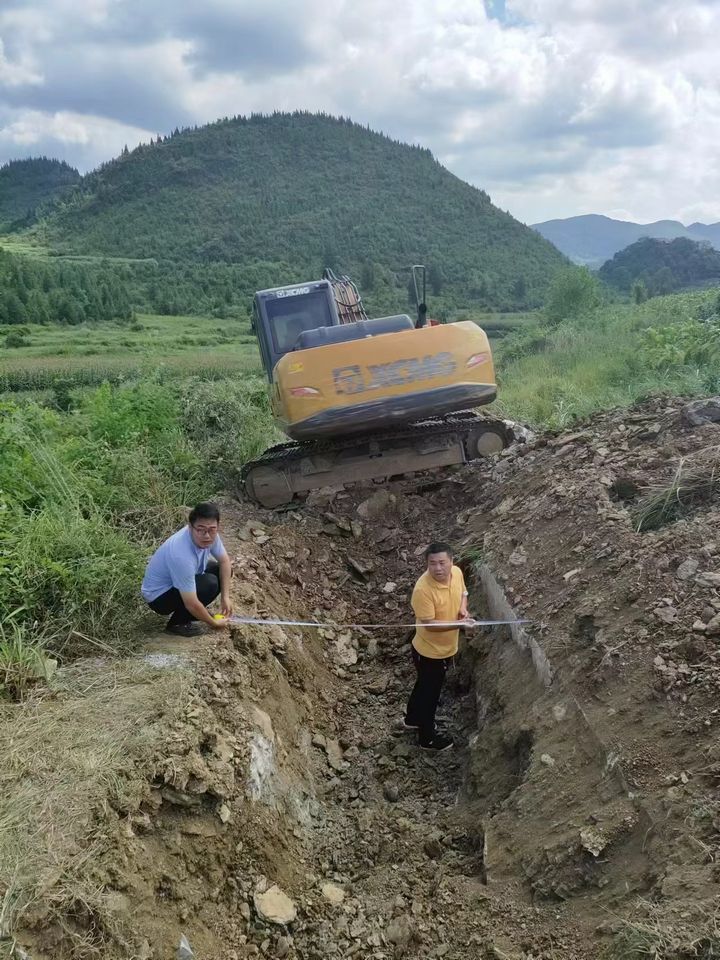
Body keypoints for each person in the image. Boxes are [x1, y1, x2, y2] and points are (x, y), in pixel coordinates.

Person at [403, 542, 470, 751]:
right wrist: (459, 625)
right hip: (429, 651)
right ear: (426, 564)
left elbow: (463, 593)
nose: (438, 568)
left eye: (442, 563)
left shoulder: (457, 573)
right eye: (432, 564)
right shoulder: (423, 590)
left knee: (423, 685)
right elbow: (430, 626)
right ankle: (427, 738)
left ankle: (412, 719)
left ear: (451, 561)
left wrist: (462, 611)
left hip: (445, 648)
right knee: (430, 694)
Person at [141, 502, 234, 636]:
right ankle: (177, 623)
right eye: (200, 529)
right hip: (159, 597)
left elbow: (225, 562)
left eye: (212, 529)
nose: (207, 535)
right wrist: (213, 623)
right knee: (210, 583)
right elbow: (191, 603)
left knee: (219, 570)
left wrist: (225, 597)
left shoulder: (211, 534)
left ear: (217, 527)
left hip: (176, 583)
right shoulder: (181, 553)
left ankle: (193, 614)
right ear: (190, 527)